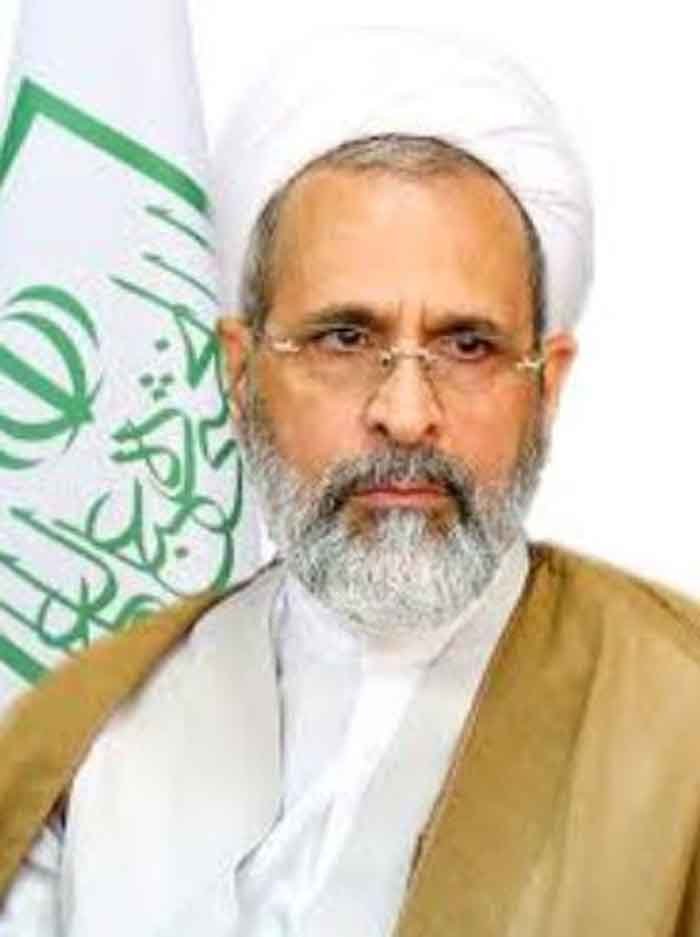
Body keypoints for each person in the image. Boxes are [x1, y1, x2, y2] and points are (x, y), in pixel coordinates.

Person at [2, 26, 700, 937]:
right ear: (241, 371)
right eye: (345, 338)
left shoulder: (677, 720)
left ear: (547, 382)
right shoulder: (93, 729)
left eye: (467, 344)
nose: (406, 413)